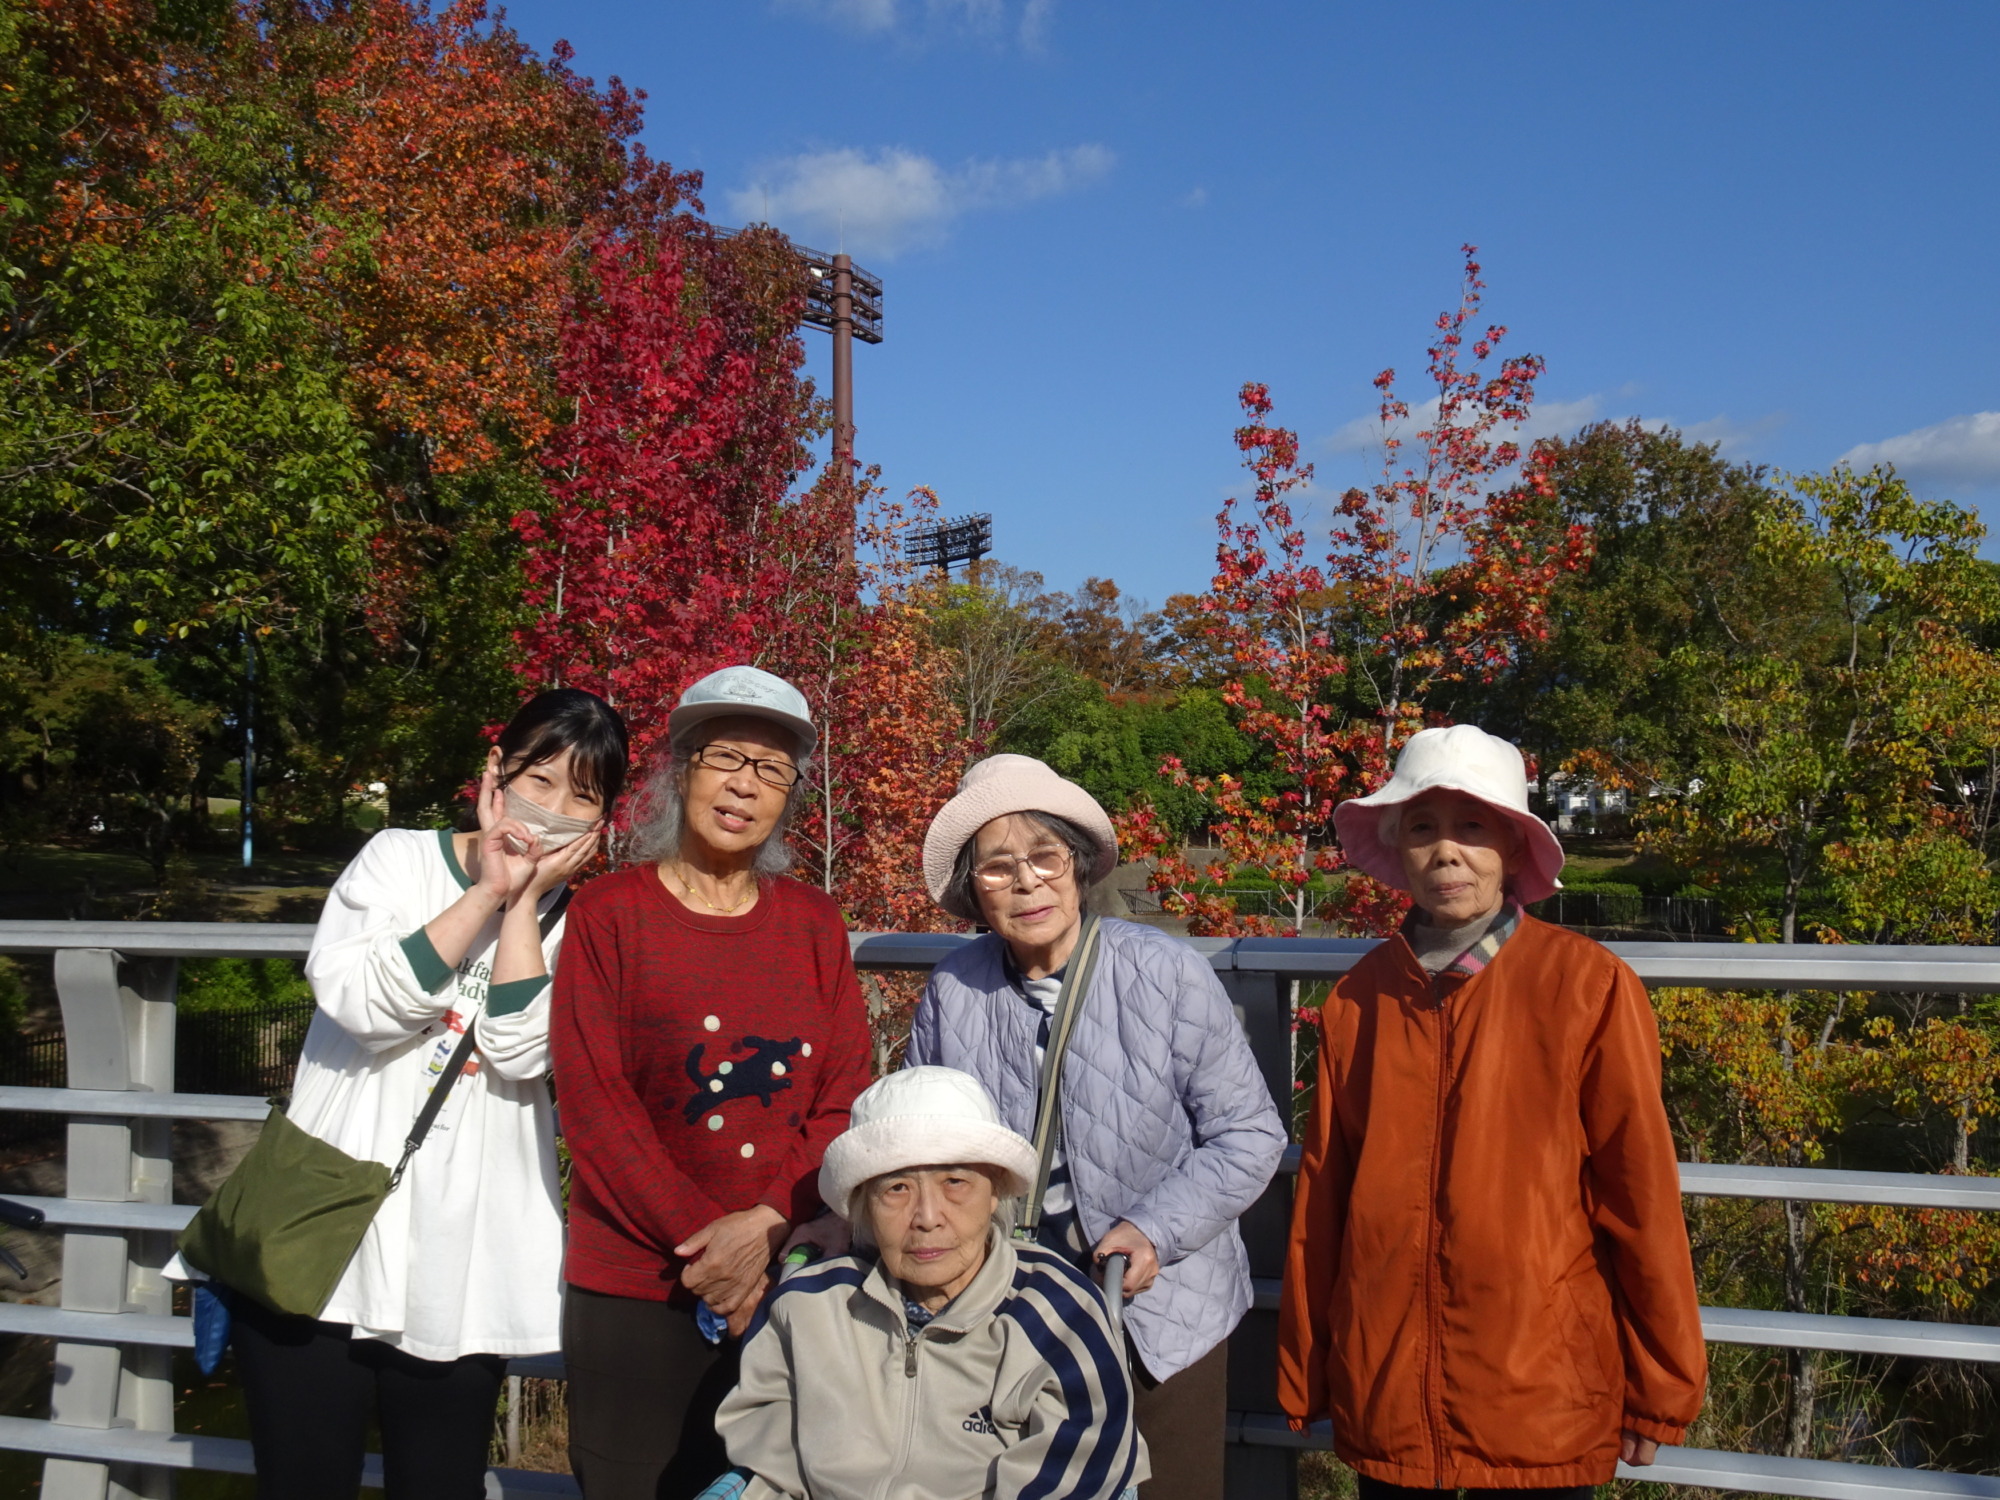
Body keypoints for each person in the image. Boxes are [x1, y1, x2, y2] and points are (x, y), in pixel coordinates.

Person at [1278, 723, 1708, 1498]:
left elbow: (1640, 1196)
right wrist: (1308, 1369)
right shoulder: (1357, 1000)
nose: (1447, 851)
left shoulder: (1588, 986)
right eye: (1423, 827)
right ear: (1397, 847)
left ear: (1513, 845)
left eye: (1473, 826)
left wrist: (1664, 1385)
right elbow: (1325, 1197)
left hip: (1543, 1394)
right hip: (1388, 1397)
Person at [229, 687, 629, 1500]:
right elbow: (363, 1005)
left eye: (580, 797)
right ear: (495, 771)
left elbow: (520, 1050)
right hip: (319, 1238)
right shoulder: (395, 858)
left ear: (601, 823)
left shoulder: (581, 926)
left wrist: (521, 902)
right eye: (537, 779)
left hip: (461, 1258)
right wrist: (483, 889)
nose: (548, 810)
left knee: (439, 1483)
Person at [907, 753, 1287, 1500]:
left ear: (1077, 866)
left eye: (1045, 856)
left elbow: (1250, 1135)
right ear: (972, 890)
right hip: (1010, 1312)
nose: (1026, 882)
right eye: (997, 867)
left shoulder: (1165, 971)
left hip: (1159, 1311)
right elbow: (925, 1144)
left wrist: (1154, 1230)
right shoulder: (954, 988)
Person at [552, 664, 874, 1500]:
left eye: (772, 769)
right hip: (635, 1280)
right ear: (682, 767)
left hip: (790, 1273)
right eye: (725, 756)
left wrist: (766, 1225)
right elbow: (593, 1102)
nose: (745, 784)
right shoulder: (609, 912)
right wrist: (714, 1244)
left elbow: (844, 1094)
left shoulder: (812, 922)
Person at [713, 1066, 1146, 1500]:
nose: (926, 1217)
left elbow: (1074, 1481)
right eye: (897, 1189)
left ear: (994, 1190)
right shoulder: (806, 1308)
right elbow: (768, 1474)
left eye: (955, 1183)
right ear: (864, 1205)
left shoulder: (1060, 1317)